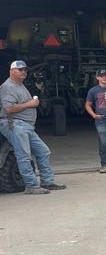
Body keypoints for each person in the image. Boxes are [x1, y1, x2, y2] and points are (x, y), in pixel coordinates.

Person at [0, 60, 66, 194]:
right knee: (23, 155)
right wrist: (30, 104)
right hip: (15, 124)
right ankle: (31, 186)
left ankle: (47, 182)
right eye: (20, 70)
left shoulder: (20, 85)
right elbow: (8, 109)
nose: (23, 72)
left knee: (43, 151)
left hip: (26, 126)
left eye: (25, 70)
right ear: (11, 71)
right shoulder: (8, 87)